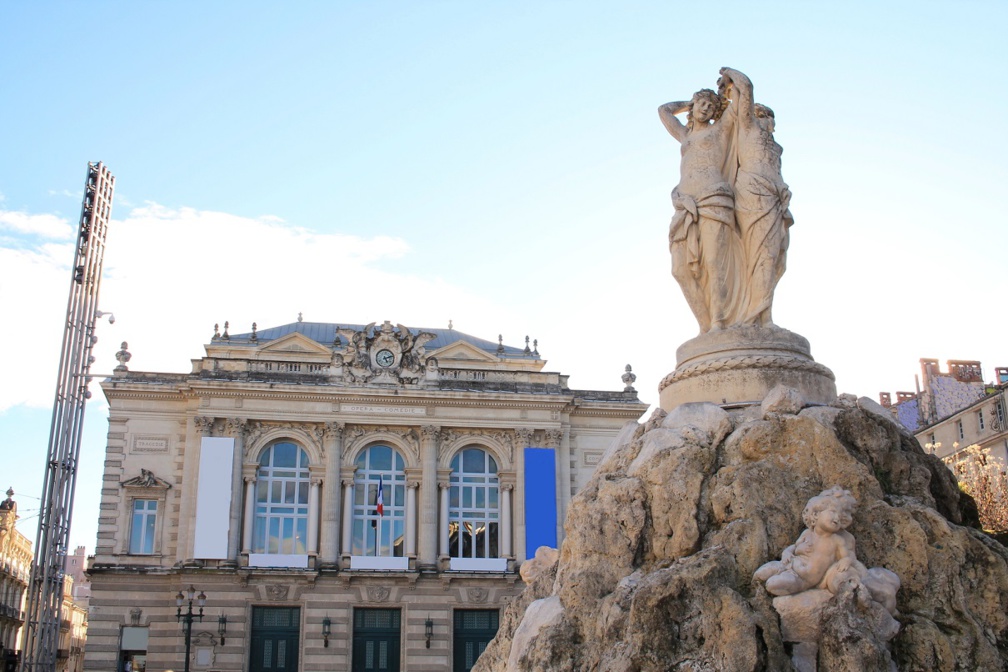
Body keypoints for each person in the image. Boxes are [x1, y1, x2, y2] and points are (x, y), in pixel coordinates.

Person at [659, 88, 745, 333]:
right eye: (702, 104)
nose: (705, 108)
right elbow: (663, 110)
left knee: (714, 261)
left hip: (713, 198)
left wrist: (727, 87)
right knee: (680, 269)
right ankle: (705, 325)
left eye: (710, 106)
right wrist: (689, 102)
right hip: (685, 204)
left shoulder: (718, 131)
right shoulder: (684, 135)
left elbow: (740, 101)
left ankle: (718, 322)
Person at [718, 67, 793, 326]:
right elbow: (746, 88)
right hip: (754, 194)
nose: (769, 123)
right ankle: (755, 316)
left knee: (776, 260)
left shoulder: (773, 144)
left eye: (771, 119)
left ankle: (763, 314)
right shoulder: (748, 129)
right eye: (764, 117)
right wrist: (728, 74)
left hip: (776, 200)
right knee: (762, 255)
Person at [753, 487, 862, 596]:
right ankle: (762, 583)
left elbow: (847, 557)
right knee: (761, 573)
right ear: (815, 515)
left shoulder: (837, 540)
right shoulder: (807, 533)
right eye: (833, 512)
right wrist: (786, 552)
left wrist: (846, 561)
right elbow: (794, 547)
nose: (837, 518)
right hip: (789, 564)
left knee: (773, 584)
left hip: (803, 580)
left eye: (840, 515)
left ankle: (779, 587)